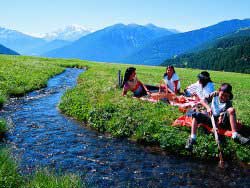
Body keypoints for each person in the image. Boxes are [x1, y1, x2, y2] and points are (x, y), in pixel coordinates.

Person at [185, 83, 249, 151]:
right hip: (210, 117)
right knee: (196, 115)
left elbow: (224, 114)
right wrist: (208, 108)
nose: (224, 97)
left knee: (231, 110)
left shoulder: (228, 102)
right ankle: (192, 138)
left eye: (226, 96)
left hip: (220, 120)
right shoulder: (214, 94)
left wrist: (219, 119)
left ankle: (235, 135)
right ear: (219, 91)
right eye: (222, 95)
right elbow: (202, 100)